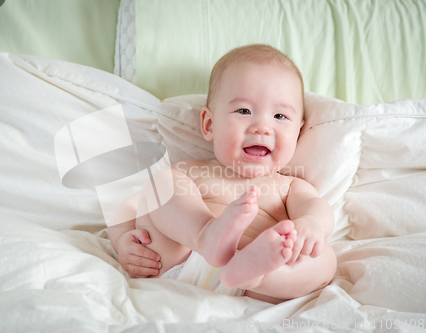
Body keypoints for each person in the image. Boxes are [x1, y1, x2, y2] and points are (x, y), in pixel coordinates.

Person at [108, 44, 337, 302]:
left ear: (298, 133)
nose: (262, 127)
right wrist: (123, 241)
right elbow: (129, 207)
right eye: (243, 111)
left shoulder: (289, 186)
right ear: (209, 124)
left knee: (326, 257)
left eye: (280, 116)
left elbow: (316, 206)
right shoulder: (190, 171)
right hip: (181, 262)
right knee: (160, 183)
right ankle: (207, 234)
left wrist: (311, 224)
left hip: (255, 282)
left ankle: (256, 274)